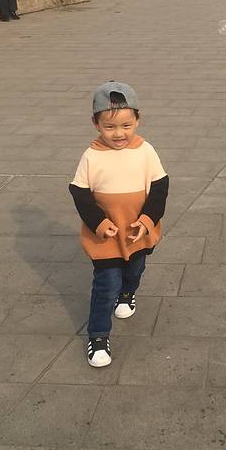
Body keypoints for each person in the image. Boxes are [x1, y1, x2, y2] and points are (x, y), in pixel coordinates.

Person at [69, 81, 169, 368]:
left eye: (126, 125)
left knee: (135, 269)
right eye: (110, 127)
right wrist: (99, 223)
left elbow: (160, 187)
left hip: (137, 232)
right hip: (106, 237)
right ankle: (98, 334)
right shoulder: (91, 155)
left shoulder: (145, 151)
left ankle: (128, 292)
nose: (119, 133)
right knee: (105, 285)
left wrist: (147, 220)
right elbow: (80, 193)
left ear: (137, 120)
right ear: (96, 124)